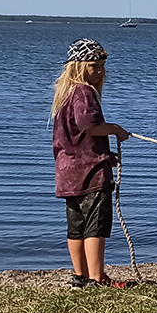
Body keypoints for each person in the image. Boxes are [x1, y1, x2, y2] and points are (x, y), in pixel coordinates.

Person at [51, 39, 130, 288]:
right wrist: (116, 130)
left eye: (102, 66)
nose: (99, 71)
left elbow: (77, 137)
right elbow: (90, 126)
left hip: (67, 172)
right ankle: (96, 277)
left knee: (76, 226)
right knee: (95, 226)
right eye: (93, 65)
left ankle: (80, 276)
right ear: (77, 66)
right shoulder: (83, 92)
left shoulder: (65, 94)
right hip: (90, 173)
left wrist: (107, 155)